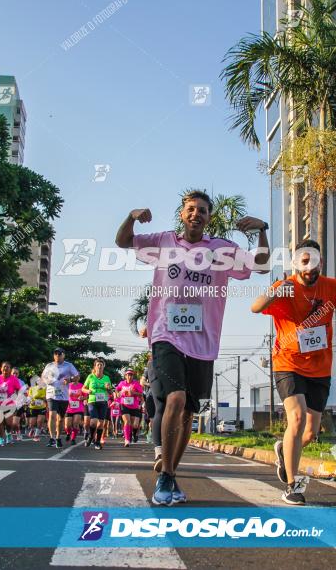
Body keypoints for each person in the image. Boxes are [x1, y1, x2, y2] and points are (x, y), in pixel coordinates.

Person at [115, 190, 270, 505]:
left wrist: (263, 229)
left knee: (188, 411)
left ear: (209, 217)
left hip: (203, 342)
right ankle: (165, 476)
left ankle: (171, 472)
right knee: (175, 397)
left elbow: (263, 266)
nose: (195, 214)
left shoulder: (222, 249)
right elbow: (123, 241)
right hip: (165, 334)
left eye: (202, 210)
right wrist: (131, 217)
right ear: (182, 214)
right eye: (190, 209)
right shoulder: (164, 241)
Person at [251, 239, 336, 505]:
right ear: (296, 263)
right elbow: (256, 307)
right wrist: (276, 291)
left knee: (310, 433)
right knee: (296, 419)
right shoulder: (287, 288)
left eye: (313, 260)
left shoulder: (331, 287)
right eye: (303, 261)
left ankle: (284, 449)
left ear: (321, 262)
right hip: (288, 363)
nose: (309, 266)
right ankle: (292, 486)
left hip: (320, 368)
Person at [41, 348, 80, 448]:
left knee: (60, 419)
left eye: (59, 354)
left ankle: (58, 438)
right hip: (51, 394)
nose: (57, 356)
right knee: (52, 415)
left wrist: (70, 379)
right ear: (54, 356)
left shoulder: (69, 365)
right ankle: (52, 438)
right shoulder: (49, 366)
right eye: (55, 354)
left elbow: (77, 376)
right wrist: (46, 380)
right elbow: (43, 377)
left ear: (63, 355)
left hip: (64, 396)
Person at [0, 362, 23, 447]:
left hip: (9, 404)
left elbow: (19, 390)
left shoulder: (14, 379)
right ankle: (1, 439)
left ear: (10, 370)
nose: (5, 369)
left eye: (7, 367)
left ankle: (8, 433)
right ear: (1, 369)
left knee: (9, 423)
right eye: (4, 367)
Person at [82, 358, 112, 450]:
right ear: (95, 367)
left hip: (103, 402)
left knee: (101, 424)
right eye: (98, 365)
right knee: (93, 421)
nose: (99, 366)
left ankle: (97, 442)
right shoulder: (90, 377)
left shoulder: (106, 378)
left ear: (103, 367)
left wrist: (108, 388)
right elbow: (83, 388)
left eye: (101, 365)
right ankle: (91, 437)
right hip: (92, 401)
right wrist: (88, 390)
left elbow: (110, 392)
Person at [117, 368, 144, 447]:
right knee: (127, 421)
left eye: (131, 375)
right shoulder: (122, 383)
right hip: (124, 405)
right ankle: (127, 440)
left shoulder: (136, 384)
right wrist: (119, 393)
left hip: (133, 406)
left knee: (131, 424)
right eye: (128, 375)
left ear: (133, 376)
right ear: (125, 376)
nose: (129, 376)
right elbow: (117, 390)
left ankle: (129, 435)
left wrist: (133, 393)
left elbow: (141, 394)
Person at [65, 372, 85, 445]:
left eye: (77, 376)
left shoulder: (82, 386)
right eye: (73, 376)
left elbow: (86, 396)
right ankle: (68, 433)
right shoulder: (68, 385)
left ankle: (73, 439)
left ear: (79, 377)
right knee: (68, 425)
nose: (75, 378)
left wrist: (83, 397)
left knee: (75, 423)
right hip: (69, 407)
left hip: (79, 407)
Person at [26, 376, 47, 441]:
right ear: (37, 382)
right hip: (33, 407)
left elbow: (47, 397)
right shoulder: (32, 388)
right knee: (32, 423)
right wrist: (30, 402)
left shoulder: (45, 388)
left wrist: (42, 398)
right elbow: (29, 397)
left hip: (42, 407)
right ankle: (32, 429)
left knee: (40, 421)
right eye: (39, 381)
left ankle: (36, 435)